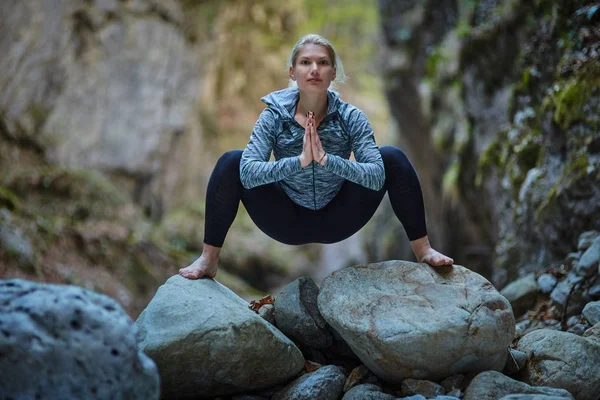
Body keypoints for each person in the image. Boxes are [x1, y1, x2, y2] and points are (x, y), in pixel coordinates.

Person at [179, 34, 453, 280]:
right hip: (284, 218)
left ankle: (423, 251)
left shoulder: (351, 117)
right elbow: (249, 173)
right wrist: (298, 161)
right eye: (305, 62)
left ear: (333, 72)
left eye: (322, 63)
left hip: (339, 217)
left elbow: (377, 175)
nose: (314, 69)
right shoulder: (273, 116)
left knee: (392, 157)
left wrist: (326, 160)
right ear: (292, 71)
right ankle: (209, 259)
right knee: (231, 161)